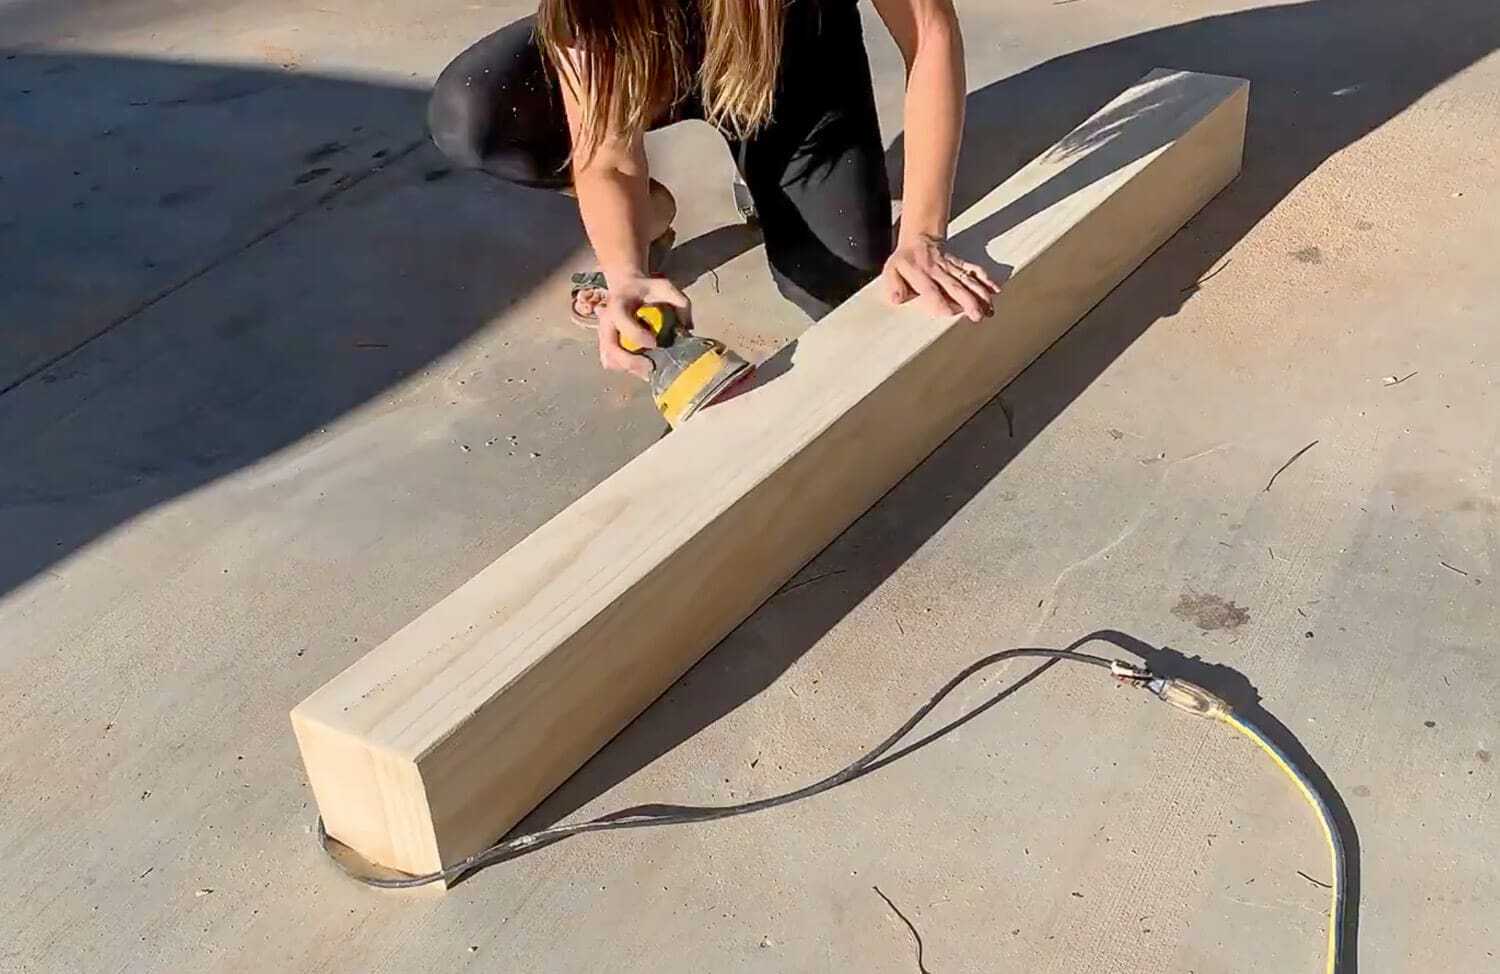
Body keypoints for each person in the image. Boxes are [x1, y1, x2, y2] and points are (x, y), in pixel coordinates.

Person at [428, 0, 999, 379]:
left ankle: (768, 170)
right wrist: (626, 271)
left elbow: (928, 34)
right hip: (651, 45)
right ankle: (648, 218)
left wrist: (923, 231)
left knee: (838, 282)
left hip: (791, 52)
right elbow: (604, 152)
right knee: (475, 115)